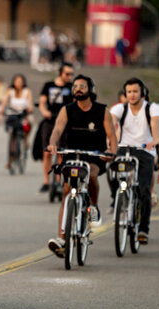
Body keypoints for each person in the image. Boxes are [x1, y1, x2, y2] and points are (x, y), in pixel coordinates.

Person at [46, 74, 117, 256]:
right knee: (67, 190)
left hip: (94, 156)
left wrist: (112, 152)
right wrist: (53, 142)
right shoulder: (67, 110)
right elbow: (57, 129)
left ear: (90, 90)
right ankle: (62, 237)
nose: (78, 89)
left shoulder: (102, 111)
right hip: (72, 154)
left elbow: (111, 136)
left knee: (91, 175)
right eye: (75, 86)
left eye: (82, 86)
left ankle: (93, 206)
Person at [110, 77, 159, 244]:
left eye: (135, 91)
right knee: (111, 172)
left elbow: (155, 124)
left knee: (144, 190)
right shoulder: (120, 108)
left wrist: (155, 139)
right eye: (129, 92)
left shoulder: (151, 108)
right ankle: (116, 198)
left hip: (144, 150)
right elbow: (111, 123)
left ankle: (143, 229)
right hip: (124, 148)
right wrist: (109, 138)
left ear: (142, 93)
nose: (132, 95)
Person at [38, 62, 74, 193]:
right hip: (50, 120)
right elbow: (42, 103)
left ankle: (58, 180)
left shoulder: (71, 87)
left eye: (71, 74)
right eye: (67, 74)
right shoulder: (48, 85)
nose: (69, 76)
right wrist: (44, 112)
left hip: (64, 123)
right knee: (47, 152)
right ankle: (46, 181)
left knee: (61, 152)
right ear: (60, 73)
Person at [0, 73, 33, 170]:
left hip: (23, 114)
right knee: (12, 136)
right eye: (17, 81)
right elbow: (4, 101)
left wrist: (29, 109)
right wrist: (1, 109)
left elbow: (29, 103)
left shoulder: (27, 91)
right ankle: (10, 159)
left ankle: (25, 140)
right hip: (12, 114)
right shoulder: (10, 91)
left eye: (20, 82)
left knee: (29, 123)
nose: (19, 83)